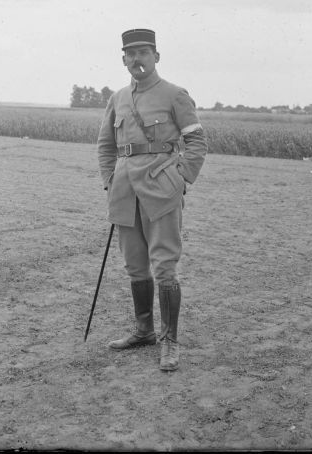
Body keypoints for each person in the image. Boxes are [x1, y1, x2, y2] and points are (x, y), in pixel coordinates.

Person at [97, 28, 207, 371]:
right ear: (123, 59)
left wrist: (181, 179)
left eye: (143, 52)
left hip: (162, 192)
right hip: (124, 194)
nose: (136, 59)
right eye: (130, 54)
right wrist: (109, 182)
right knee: (134, 265)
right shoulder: (117, 99)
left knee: (164, 266)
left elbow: (197, 143)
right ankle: (144, 331)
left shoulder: (174, 95)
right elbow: (105, 147)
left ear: (156, 56)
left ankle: (169, 341)